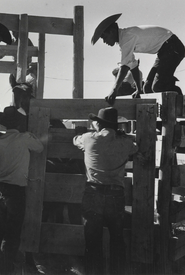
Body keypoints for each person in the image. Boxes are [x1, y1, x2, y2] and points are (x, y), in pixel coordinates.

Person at [73, 107, 138, 274]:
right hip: (115, 195)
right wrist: (123, 136)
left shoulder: (88, 139)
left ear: (99, 124)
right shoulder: (125, 142)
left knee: (93, 241)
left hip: (93, 192)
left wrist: (81, 133)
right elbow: (135, 148)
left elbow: (76, 140)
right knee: (117, 239)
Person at [0, 106, 44, 274]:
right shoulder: (24, 139)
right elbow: (40, 147)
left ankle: (4, 267)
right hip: (16, 192)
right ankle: (4, 271)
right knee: (12, 236)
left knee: (2, 231)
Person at [91, 13, 185, 104]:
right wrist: (139, 89)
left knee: (158, 86)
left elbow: (124, 68)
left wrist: (114, 91)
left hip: (173, 47)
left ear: (111, 31)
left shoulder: (127, 38)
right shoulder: (124, 41)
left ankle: (182, 102)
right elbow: (133, 66)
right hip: (164, 51)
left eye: (104, 37)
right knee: (147, 88)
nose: (104, 41)